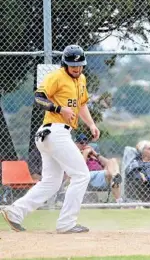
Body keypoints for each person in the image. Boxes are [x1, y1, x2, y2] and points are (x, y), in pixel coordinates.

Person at [1, 45, 97, 234]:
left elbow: (82, 105)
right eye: (73, 66)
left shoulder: (82, 79)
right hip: (54, 132)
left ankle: (15, 212)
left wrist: (92, 124)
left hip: (53, 135)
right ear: (65, 64)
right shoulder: (57, 76)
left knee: (51, 182)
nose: (77, 69)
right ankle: (67, 223)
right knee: (81, 175)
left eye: (80, 66)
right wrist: (59, 109)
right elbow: (39, 97)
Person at [74, 134, 123, 203]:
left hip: (102, 174)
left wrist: (95, 154)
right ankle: (119, 201)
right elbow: (81, 168)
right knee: (109, 173)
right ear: (76, 144)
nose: (84, 144)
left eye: (86, 142)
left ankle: (115, 176)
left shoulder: (92, 154)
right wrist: (85, 153)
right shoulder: (75, 154)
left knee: (113, 160)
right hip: (89, 176)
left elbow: (107, 163)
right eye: (81, 143)